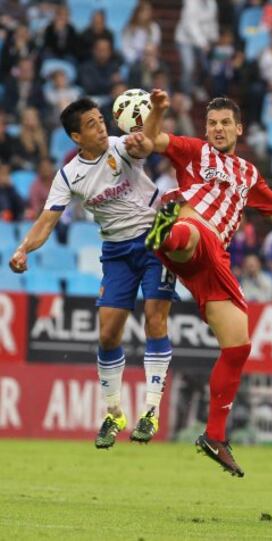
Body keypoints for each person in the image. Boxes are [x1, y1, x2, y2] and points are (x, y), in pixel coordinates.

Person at [127, 89, 272, 477]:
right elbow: (153, 141)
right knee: (191, 229)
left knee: (238, 343)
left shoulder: (249, 174)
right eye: (212, 124)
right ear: (206, 129)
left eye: (223, 124)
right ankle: (166, 233)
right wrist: (158, 111)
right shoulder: (195, 150)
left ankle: (214, 435)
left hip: (215, 258)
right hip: (193, 227)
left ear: (239, 128)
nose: (217, 130)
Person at [9, 98, 176, 449]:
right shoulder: (69, 176)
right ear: (75, 137)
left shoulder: (123, 146)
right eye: (91, 124)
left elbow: (145, 144)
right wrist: (24, 248)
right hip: (115, 252)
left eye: (101, 120)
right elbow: (46, 221)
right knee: (107, 334)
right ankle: (114, 413)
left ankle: (150, 410)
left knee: (155, 318)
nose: (101, 127)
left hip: (155, 238)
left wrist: (149, 124)